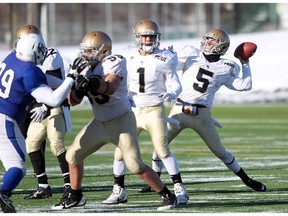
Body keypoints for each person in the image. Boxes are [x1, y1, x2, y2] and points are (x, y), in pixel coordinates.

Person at [52, 30, 177, 211]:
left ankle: (167, 196)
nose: (86, 54)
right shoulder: (84, 66)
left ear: (103, 51)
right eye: (84, 50)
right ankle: (75, 196)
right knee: (72, 155)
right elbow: (73, 101)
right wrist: (77, 85)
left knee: (135, 166)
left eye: (90, 50)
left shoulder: (114, 61)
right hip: (99, 122)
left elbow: (110, 87)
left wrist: (89, 82)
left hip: (121, 122)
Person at [149, 28, 267, 192]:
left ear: (222, 47)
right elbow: (170, 70)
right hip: (179, 110)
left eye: (213, 41)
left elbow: (244, 86)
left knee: (220, 151)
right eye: (207, 39)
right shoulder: (191, 53)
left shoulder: (227, 66)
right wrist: (168, 59)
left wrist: (245, 63)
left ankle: (247, 179)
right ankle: (154, 182)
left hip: (201, 115)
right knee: (160, 145)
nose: (207, 42)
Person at [102, 19, 189, 206]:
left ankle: (179, 187)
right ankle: (118, 191)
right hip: (131, 110)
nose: (148, 40)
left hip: (154, 109)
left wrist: (171, 92)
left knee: (162, 149)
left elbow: (175, 83)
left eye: (151, 36)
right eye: (145, 36)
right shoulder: (126, 54)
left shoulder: (166, 57)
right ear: (137, 37)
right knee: (119, 151)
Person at [0, 32, 84, 213]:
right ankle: (3, 192)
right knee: (17, 167)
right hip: (5, 119)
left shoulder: (11, 57)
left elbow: (44, 80)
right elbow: (53, 100)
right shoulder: (30, 71)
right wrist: (70, 78)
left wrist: (67, 81)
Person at [13, 25, 72, 204]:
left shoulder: (51, 55)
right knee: (31, 142)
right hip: (38, 107)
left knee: (57, 144)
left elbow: (55, 85)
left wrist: (45, 105)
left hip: (55, 106)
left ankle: (71, 186)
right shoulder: (20, 57)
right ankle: (43, 186)